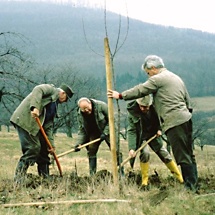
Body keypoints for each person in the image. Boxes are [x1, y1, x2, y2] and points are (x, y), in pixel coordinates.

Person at [108, 55, 198, 191]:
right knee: (189, 153)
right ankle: (194, 183)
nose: (148, 75)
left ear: (153, 68)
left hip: (174, 121)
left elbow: (141, 90)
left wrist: (121, 95)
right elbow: (187, 99)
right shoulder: (175, 77)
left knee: (182, 155)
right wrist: (186, 114)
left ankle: (189, 187)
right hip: (185, 118)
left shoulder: (158, 79)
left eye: (147, 72)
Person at [10, 83, 74, 183]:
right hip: (25, 121)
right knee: (33, 148)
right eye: (66, 98)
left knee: (44, 149)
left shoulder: (54, 106)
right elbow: (38, 89)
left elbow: (48, 127)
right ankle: (19, 177)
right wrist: (34, 107)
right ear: (63, 93)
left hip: (36, 126)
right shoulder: (51, 90)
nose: (65, 101)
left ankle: (45, 178)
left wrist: (51, 146)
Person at [127, 95, 183, 189]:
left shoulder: (156, 107)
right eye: (142, 106)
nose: (144, 109)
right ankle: (145, 182)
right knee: (145, 153)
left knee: (164, 154)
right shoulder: (133, 112)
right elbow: (132, 131)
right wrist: (132, 148)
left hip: (153, 134)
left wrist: (159, 129)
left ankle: (180, 178)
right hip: (141, 137)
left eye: (146, 107)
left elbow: (163, 119)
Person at [74, 97, 124, 177]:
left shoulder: (101, 106)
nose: (86, 110)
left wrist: (105, 133)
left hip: (109, 129)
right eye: (83, 109)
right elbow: (82, 130)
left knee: (116, 150)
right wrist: (78, 143)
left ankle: (121, 173)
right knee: (91, 150)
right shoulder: (80, 114)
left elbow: (112, 120)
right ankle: (92, 175)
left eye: (87, 108)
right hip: (94, 132)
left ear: (90, 103)